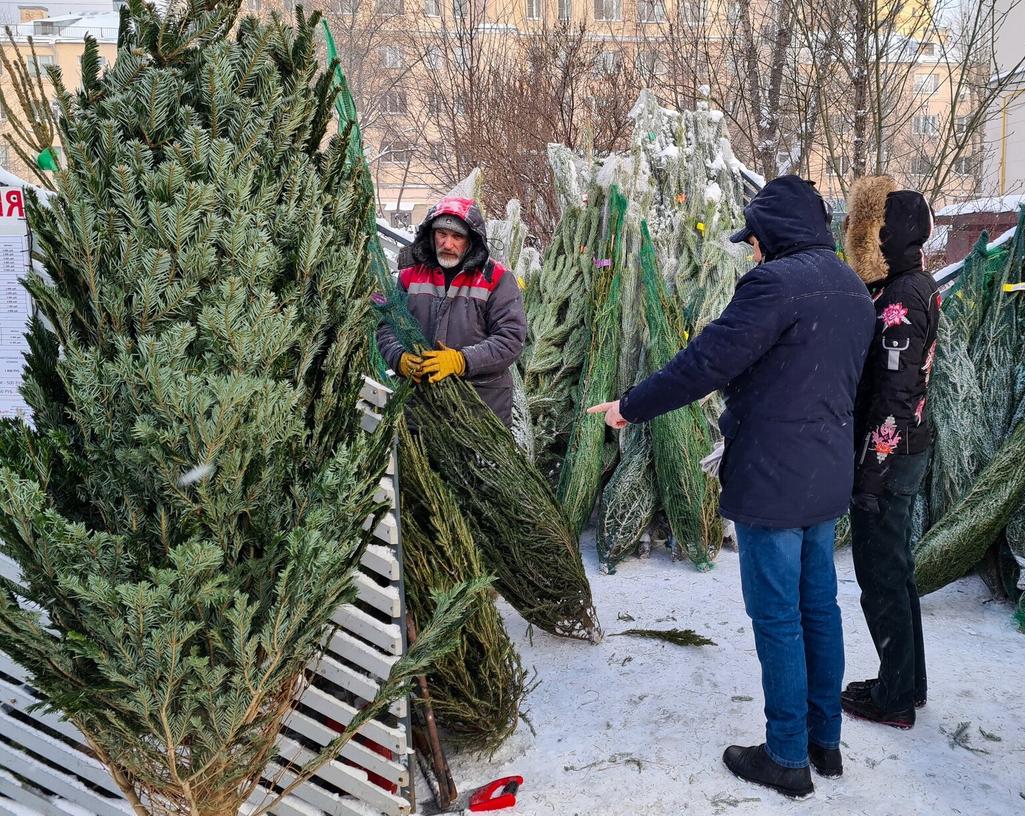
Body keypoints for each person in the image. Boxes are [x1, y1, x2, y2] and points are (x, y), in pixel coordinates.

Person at [590, 175, 875, 800]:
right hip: (827, 472)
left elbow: (706, 362)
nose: (750, 251)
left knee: (777, 616)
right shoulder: (852, 286)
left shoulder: (775, 284)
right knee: (818, 607)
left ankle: (786, 756)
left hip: (774, 477)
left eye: (754, 240)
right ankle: (824, 742)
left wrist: (631, 406)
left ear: (772, 236)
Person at [841, 190, 940, 730]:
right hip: (906, 449)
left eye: (880, 229)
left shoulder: (901, 300)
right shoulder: (915, 285)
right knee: (898, 573)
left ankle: (894, 698)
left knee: (880, 577)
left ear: (899, 235)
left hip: (890, 453)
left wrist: (871, 476)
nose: (872, 237)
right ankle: (907, 681)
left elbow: (896, 396)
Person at [376, 195, 527, 426]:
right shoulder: (410, 274)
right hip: (420, 410)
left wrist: (461, 360)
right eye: (442, 234)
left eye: (457, 236)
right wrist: (399, 358)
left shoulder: (496, 278)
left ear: (471, 241)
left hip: (480, 410)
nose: (448, 244)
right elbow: (388, 326)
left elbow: (511, 340)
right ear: (431, 235)